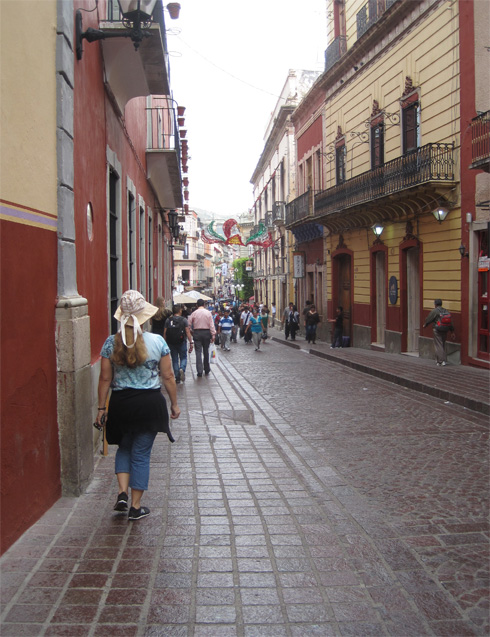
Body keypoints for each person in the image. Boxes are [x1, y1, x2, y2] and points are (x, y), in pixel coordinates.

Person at [96, 290, 180, 521]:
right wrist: (174, 404)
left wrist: (101, 408)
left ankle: (121, 493)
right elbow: (169, 376)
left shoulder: (110, 343)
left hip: (122, 404)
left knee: (124, 448)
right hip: (149, 404)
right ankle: (135, 506)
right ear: (144, 316)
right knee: (141, 454)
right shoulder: (157, 342)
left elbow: (104, 379)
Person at [163, 304, 193, 383]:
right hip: (181, 341)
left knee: (175, 359)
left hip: (171, 342)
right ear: (180, 311)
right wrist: (191, 342)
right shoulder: (183, 320)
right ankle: (182, 369)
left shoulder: (168, 320)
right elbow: (187, 331)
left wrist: (164, 343)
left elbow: (165, 333)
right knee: (183, 357)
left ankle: (177, 377)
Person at [188, 298, 216, 377]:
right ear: (204, 305)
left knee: (198, 352)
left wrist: (191, 331)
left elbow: (188, 324)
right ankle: (206, 369)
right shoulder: (208, 313)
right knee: (206, 351)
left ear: (197, 305)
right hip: (206, 333)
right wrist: (213, 334)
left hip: (197, 332)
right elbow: (211, 324)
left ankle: (199, 371)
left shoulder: (194, 313)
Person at [423, 299, 455, 366]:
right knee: (442, 344)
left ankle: (441, 361)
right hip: (445, 329)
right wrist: (452, 331)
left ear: (435, 304)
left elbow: (429, 319)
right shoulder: (446, 311)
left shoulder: (435, 311)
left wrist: (425, 324)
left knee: (438, 345)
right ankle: (439, 360)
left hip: (437, 329)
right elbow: (450, 322)